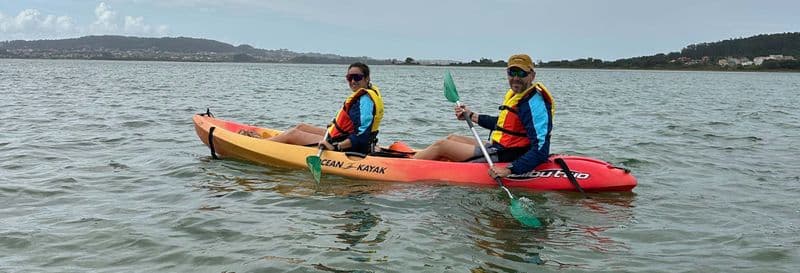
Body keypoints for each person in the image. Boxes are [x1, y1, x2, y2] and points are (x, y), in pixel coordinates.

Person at [413, 54, 554, 178]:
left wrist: (509, 169)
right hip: (502, 148)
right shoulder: (521, 96)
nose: (516, 78)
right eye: (512, 72)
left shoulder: (534, 105)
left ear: (532, 75)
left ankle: (406, 165)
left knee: (441, 146)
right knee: (451, 138)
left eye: (522, 73)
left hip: (509, 155)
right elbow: (505, 125)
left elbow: (541, 150)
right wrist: (471, 115)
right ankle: (423, 160)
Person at [266, 62, 384, 154]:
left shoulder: (365, 101)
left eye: (357, 77)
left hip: (349, 145)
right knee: (301, 127)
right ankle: (271, 141)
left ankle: (259, 144)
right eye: (349, 77)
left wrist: (336, 146)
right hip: (342, 136)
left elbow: (361, 135)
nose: (353, 81)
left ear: (367, 78)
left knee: (292, 134)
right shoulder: (366, 94)